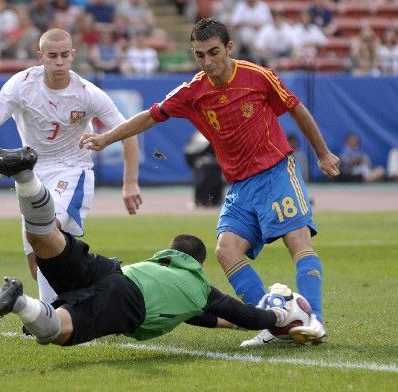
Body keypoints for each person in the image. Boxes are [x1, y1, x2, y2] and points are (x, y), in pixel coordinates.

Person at [79, 17, 340, 346]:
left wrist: (322, 153)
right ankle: (273, 323)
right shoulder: (192, 91)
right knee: (227, 250)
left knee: (297, 240)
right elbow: (149, 115)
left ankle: (312, 318)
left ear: (229, 48)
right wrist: (106, 139)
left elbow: (297, 109)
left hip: (276, 170)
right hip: (240, 185)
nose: (207, 61)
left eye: (213, 52)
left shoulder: (256, 77)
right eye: (200, 55)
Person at [0, 146, 325, 346]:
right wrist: (279, 316)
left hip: (113, 270)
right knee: (56, 333)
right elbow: (243, 314)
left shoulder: (161, 267)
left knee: (46, 240)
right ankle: (18, 301)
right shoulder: (199, 288)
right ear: (198, 265)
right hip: (127, 301)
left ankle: (25, 177)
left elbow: (212, 319)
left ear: (172, 252)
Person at [0, 28, 142, 306]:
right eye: (53, 56)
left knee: (46, 229)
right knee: (36, 255)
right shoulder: (21, 85)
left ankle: (47, 312)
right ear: (40, 56)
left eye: (65, 55)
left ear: (73, 55)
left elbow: (128, 132)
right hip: (31, 174)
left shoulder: (87, 93)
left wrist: (130, 183)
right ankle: (96, 286)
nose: (60, 62)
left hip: (72, 169)